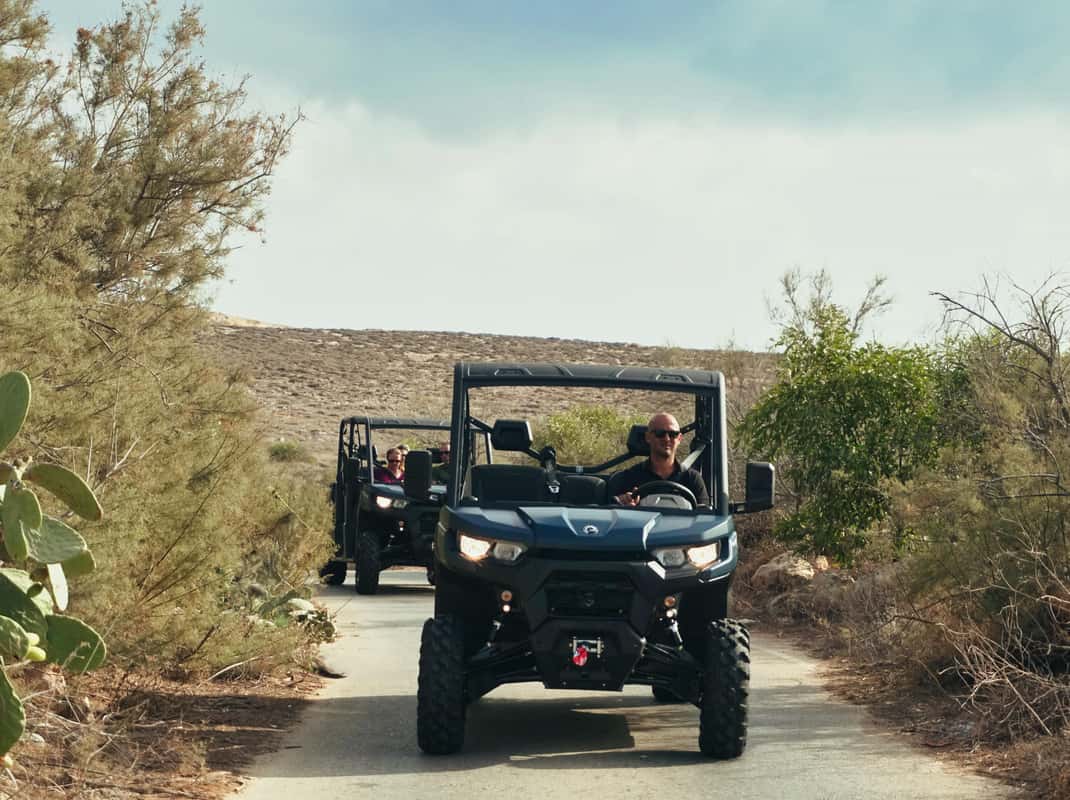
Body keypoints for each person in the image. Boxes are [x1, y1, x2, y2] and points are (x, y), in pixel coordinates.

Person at [608, 413, 710, 507]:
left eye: (672, 434)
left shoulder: (692, 479)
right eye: (660, 433)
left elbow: (705, 518)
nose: (666, 439)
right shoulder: (629, 477)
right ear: (648, 437)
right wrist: (625, 504)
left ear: (679, 438)